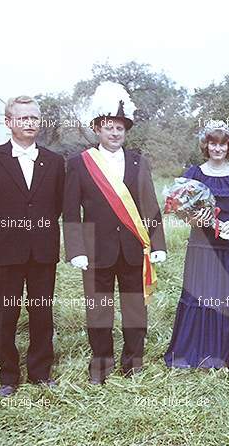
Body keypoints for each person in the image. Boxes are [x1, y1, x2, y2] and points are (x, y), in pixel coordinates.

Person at [63, 82, 166, 384]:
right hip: (96, 250)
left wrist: (157, 242)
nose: (115, 133)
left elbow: (149, 204)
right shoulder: (79, 164)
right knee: (99, 312)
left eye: (120, 127)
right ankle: (101, 367)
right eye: (109, 127)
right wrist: (76, 249)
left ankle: (133, 364)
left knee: (135, 311)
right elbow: (70, 212)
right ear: (97, 128)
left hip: (134, 247)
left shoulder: (138, 161)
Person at [0, 96, 65, 396]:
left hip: (42, 252)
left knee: (41, 312)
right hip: (4, 253)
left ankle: (40, 371)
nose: (29, 123)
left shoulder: (54, 160)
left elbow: (57, 205)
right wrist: (1, 234)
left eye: (34, 118)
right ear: (9, 122)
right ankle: (8, 376)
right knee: (4, 314)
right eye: (22, 118)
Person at [164, 120, 229, 368]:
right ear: (206, 145)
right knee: (198, 295)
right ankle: (193, 351)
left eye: (223, 144)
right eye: (213, 143)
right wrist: (192, 218)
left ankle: (220, 352)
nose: (218, 148)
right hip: (201, 244)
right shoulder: (193, 174)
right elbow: (180, 210)